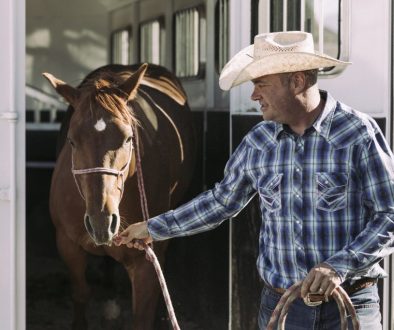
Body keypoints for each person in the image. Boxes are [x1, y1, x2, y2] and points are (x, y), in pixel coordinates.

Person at [115, 31, 394, 329]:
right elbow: (221, 202)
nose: (254, 95)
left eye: (261, 84)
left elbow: (389, 214)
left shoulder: (357, 133)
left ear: (297, 81)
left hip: (351, 304)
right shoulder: (258, 141)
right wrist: (153, 228)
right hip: (281, 306)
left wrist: (339, 266)